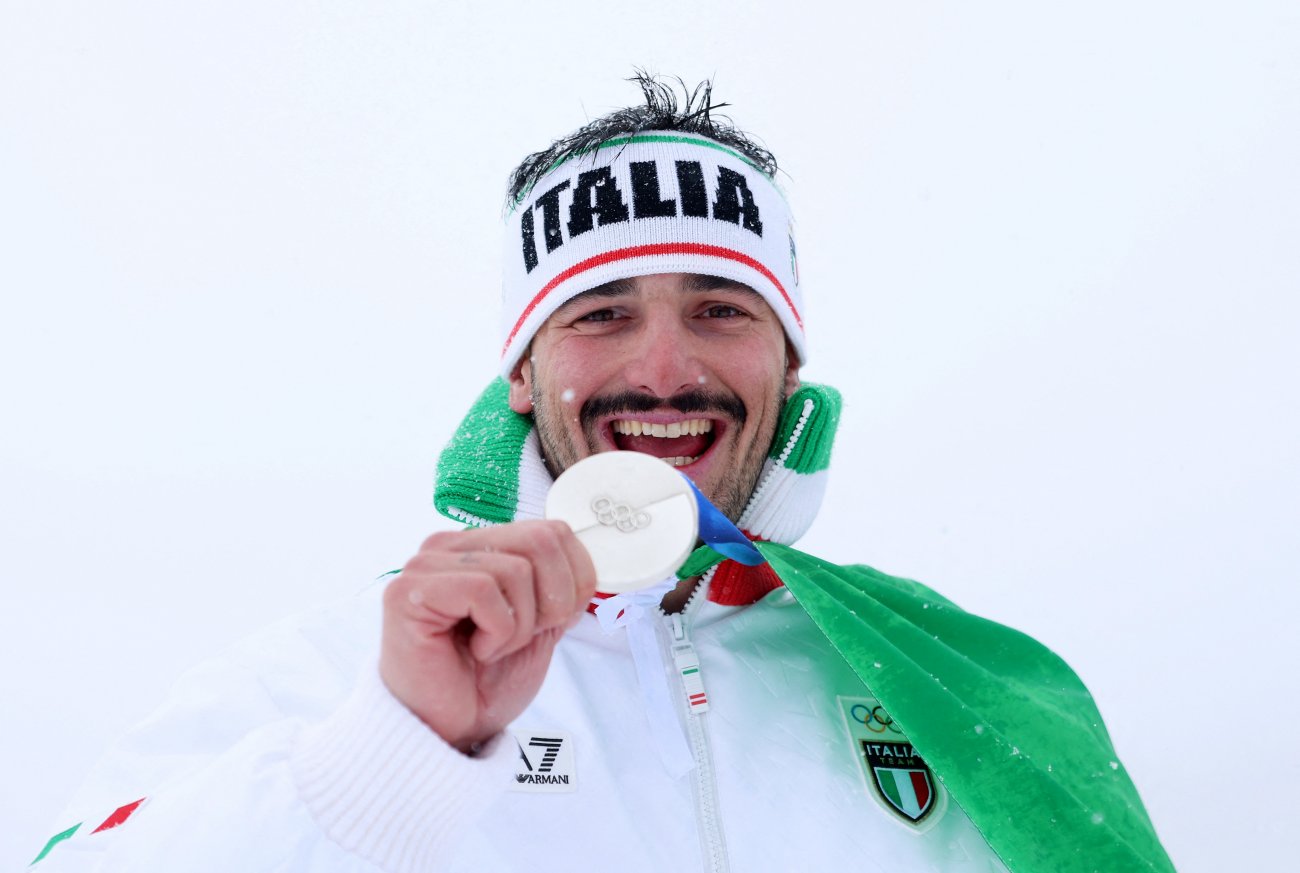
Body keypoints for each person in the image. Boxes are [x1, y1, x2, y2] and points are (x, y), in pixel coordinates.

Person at [31, 77, 1173, 872]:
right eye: (602, 314)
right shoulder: (335, 675)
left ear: (788, 365)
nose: (665, 370)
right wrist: (395, 749)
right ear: (522, 375)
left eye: (720, 310)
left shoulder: (955, 681)